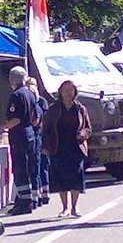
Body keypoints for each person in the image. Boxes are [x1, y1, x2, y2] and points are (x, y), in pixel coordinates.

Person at [41, 79, 92, 217]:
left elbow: (88, 128)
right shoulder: (54, 109)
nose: (68, 93)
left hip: (76, 146)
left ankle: (74, 207)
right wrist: (45, 146)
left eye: (71, 90)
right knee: (61, 177)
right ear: (60, 92)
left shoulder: (80, 109)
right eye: (65, 90)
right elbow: (46, 129)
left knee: (76, 175)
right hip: (58, 146)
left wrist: (83, 134)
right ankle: (65, 208)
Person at [1, 66, 40, 214]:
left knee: (20, 168)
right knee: (30, 166)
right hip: (30, 132)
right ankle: (32, 198)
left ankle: (24, 202)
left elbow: (15, 119)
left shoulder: (16, 96)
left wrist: (1, 128)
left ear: (12, 80)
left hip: (19, 134)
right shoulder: (30, 94)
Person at [24, 76, 50, 202]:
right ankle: (41, 192)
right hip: (38, 135)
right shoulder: (33, 101)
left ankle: (44, 193)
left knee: (41, 165)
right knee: (37, 166)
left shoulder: (40, 102)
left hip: (41, 135)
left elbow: (39, 120)